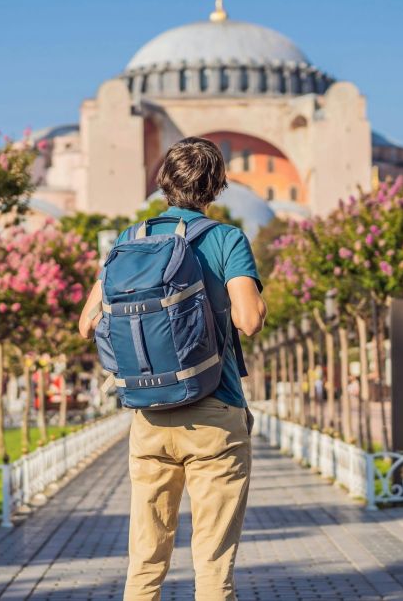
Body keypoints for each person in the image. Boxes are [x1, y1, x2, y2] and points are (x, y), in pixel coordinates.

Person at [79, 136, 266, 601]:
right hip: (214, 415)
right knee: (212, 566)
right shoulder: (226, 239)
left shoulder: (129, 241)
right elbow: (249, 320)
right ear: (217, 186)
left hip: (148, 416)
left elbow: (87, 323)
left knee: (144, 562)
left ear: (164, 182)